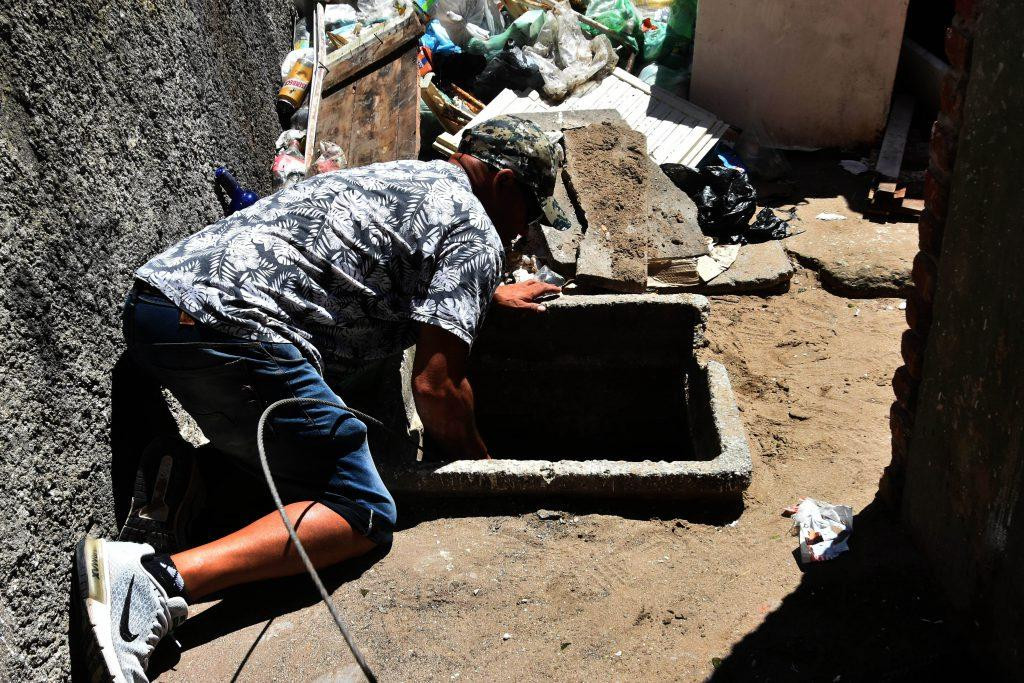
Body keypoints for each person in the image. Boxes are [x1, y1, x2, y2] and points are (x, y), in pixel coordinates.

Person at [76, 116, 569, 682]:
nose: (525, 232)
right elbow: (436, 390)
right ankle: (150, 580)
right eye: (528, 213)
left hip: (157, 307)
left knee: (303, 468)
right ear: (504, 184)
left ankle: (194, 482)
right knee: (361, 508)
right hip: (231, 330)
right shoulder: (476, 232)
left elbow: (383, 260)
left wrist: (483, 294)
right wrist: (488, 474)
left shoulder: (402, 176)